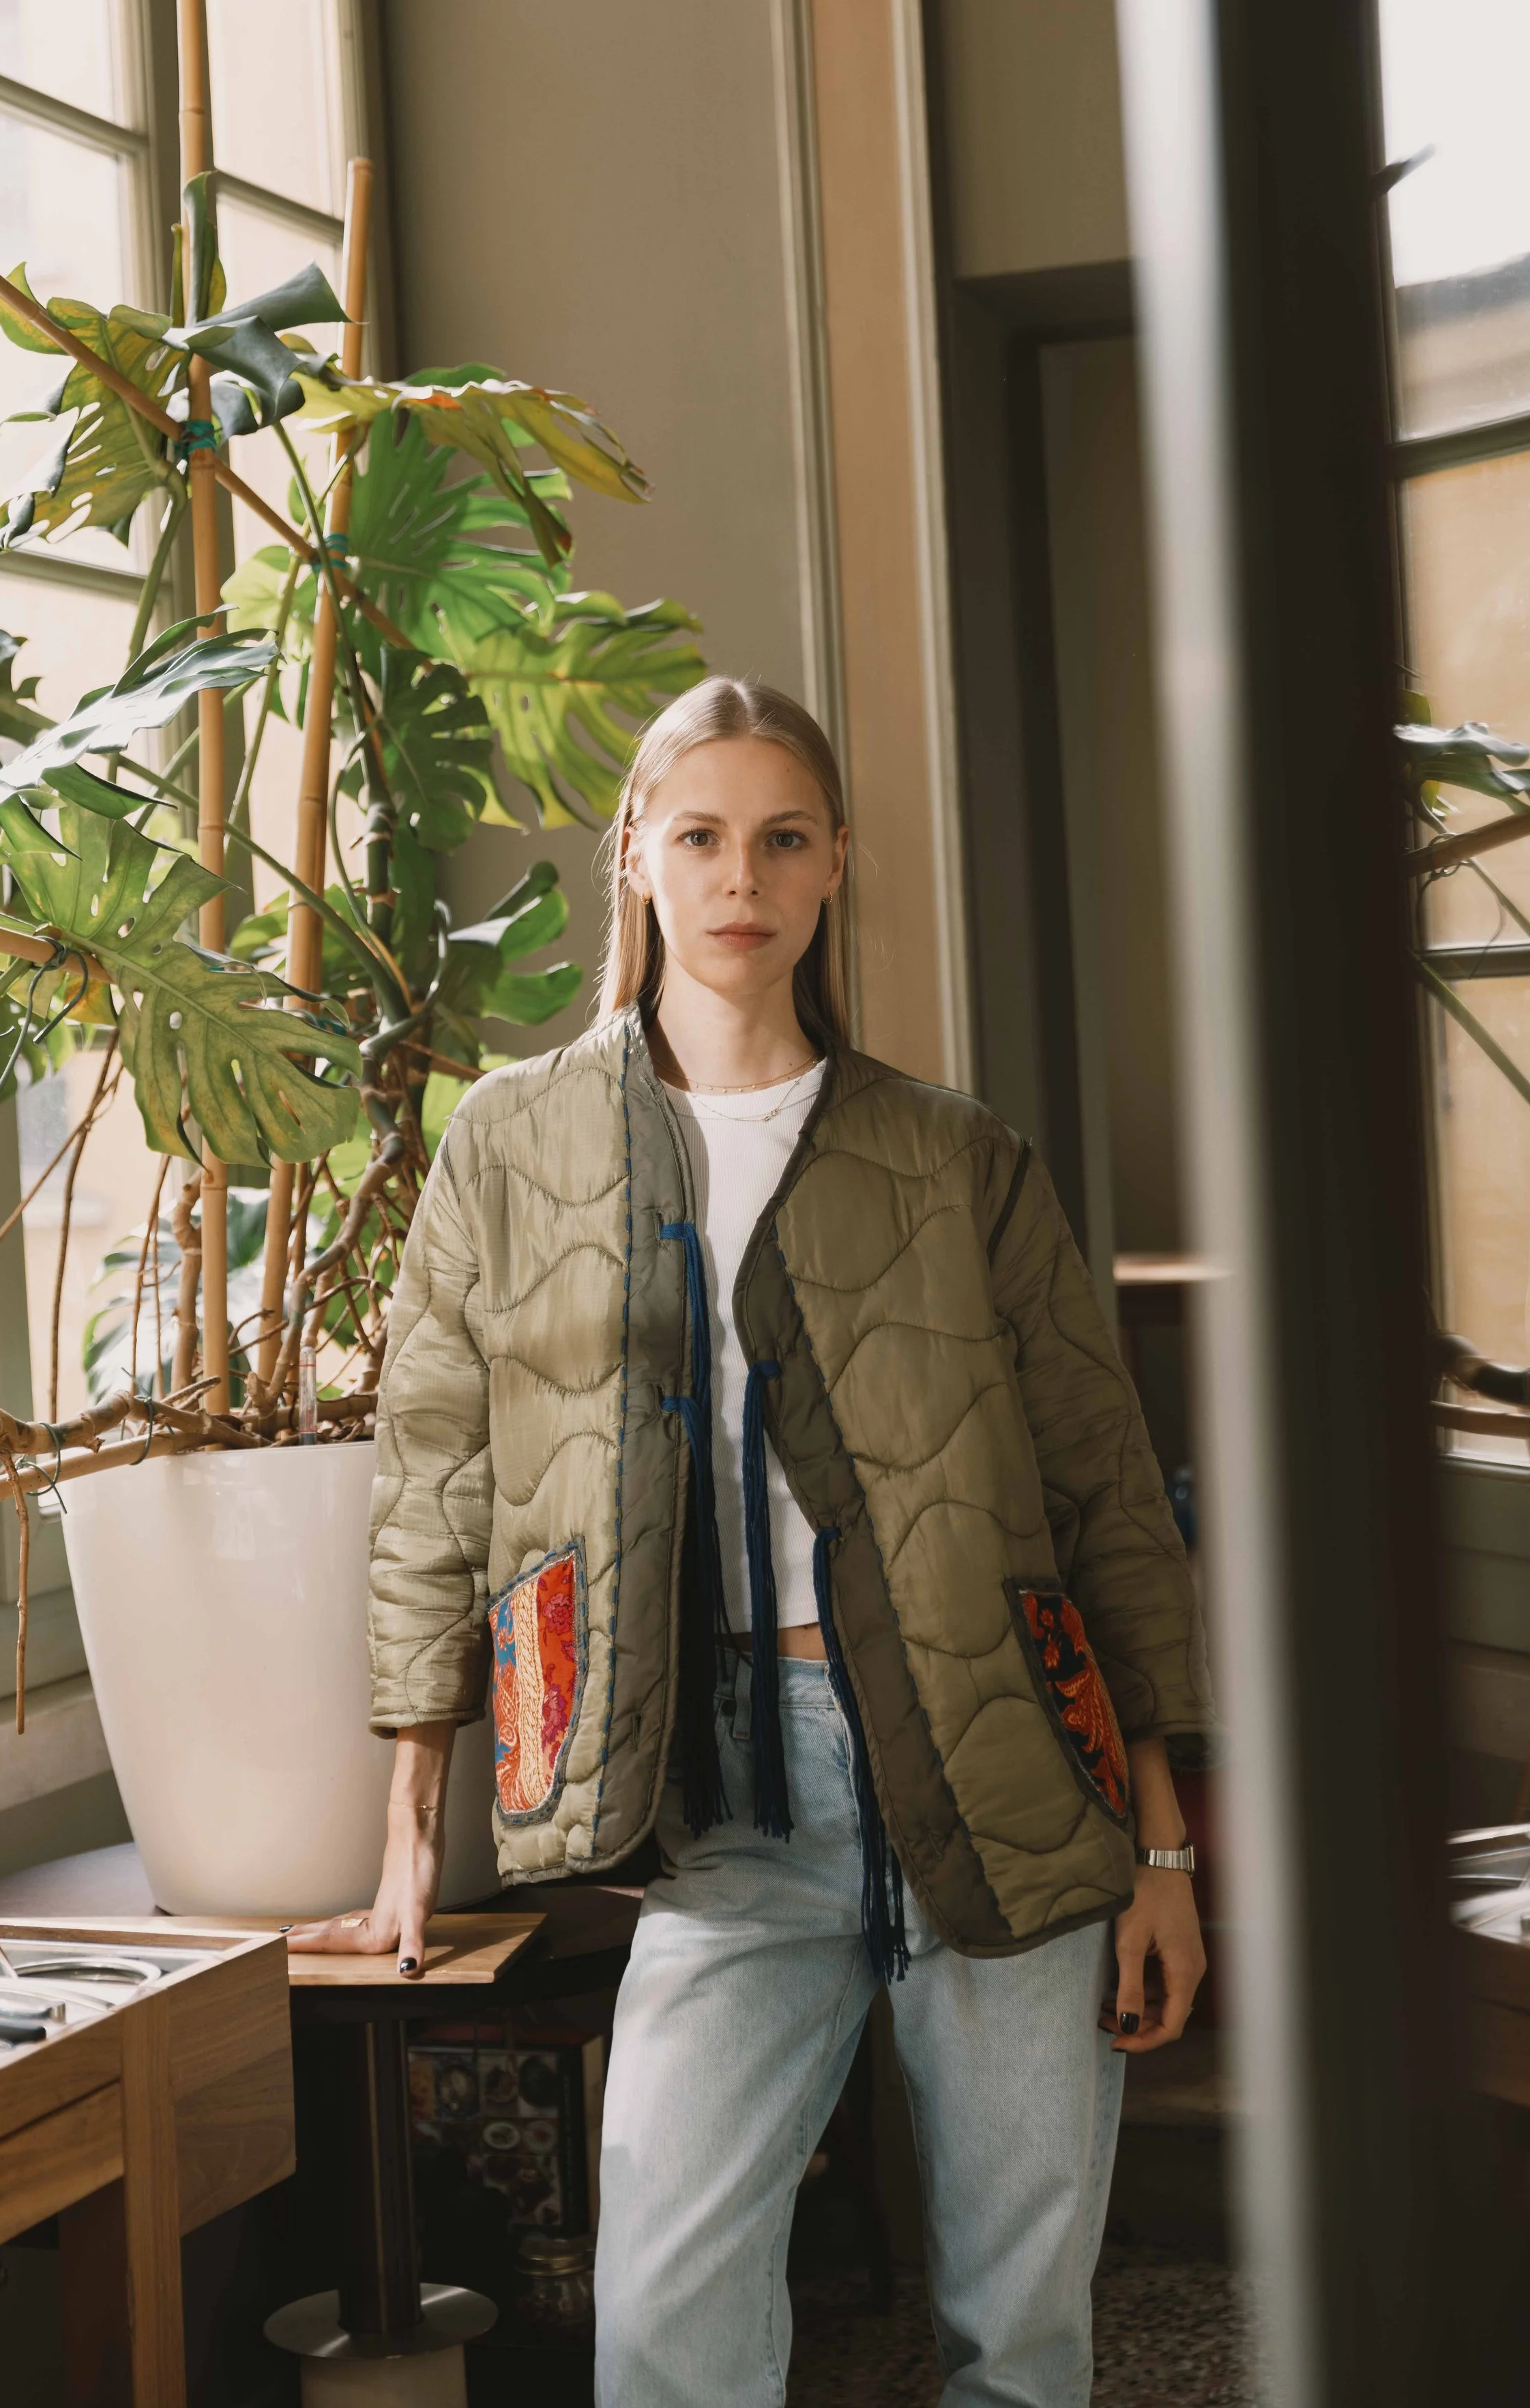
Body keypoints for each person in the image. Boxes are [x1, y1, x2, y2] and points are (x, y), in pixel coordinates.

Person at [290, 675, 1211, 2407]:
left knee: (1022, 2333)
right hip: (721, 1798)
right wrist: (412, 1825)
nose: (741, 877)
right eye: (700, 835)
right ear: (630, 853)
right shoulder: (508, 1141)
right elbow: (433, 1479)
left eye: (783, 838)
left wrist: (1160, 1851)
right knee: (664, 2325)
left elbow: (1104, 1489)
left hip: (1005, 1774)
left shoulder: (954, 1155)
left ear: (836, 863)